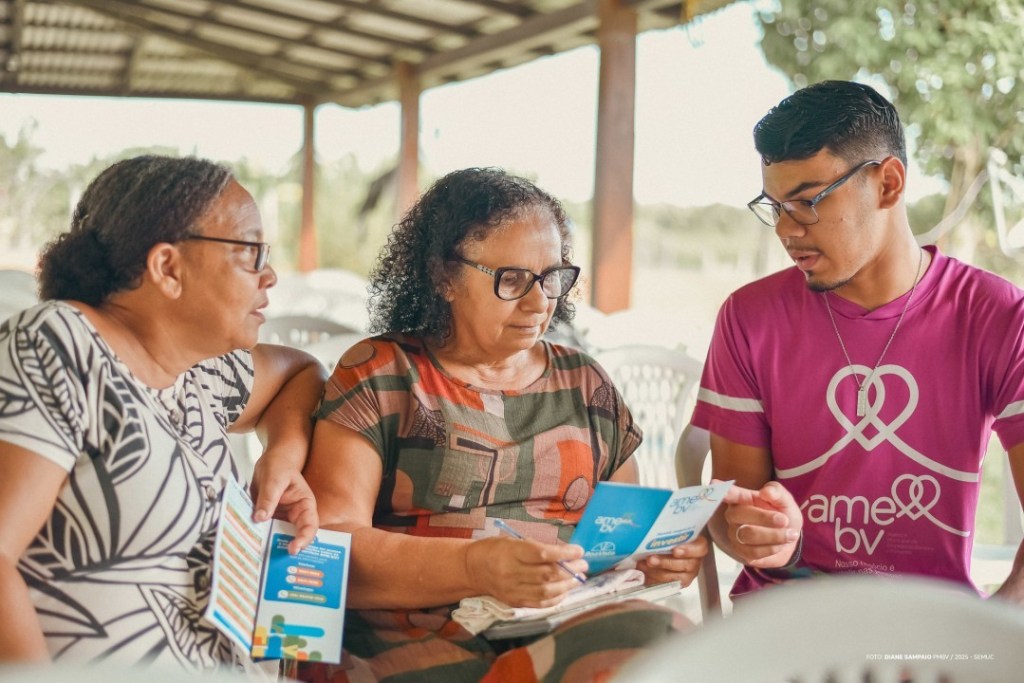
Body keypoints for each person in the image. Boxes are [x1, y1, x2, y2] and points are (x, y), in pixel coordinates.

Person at [300, 167, 707, 682]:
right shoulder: (383, 373)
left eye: (553, 277)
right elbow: (327, 546)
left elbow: (614, 543)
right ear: (443, 276)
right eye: (511, 280)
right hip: (409, 636)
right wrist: (476, 566)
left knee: (666, 639)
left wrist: (649, 563)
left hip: (560, 625)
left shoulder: (585, 385)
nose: (540, 303)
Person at [690, 80, 1024, 602]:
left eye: (805, 202)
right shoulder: (749, 317)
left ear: (888, 184)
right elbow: (733, 510)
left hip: (933, 631)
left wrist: (991, 637)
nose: (785, 229)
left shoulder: (999, 316)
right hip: (786, 620)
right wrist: (757, 534)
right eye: (774, 206)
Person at [0, 155, 326, 669]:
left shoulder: (200, 373)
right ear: (168, 268)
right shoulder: (60, 343)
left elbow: (302, 373)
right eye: (251, 252)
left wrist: (282, 457)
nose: (270, 275)